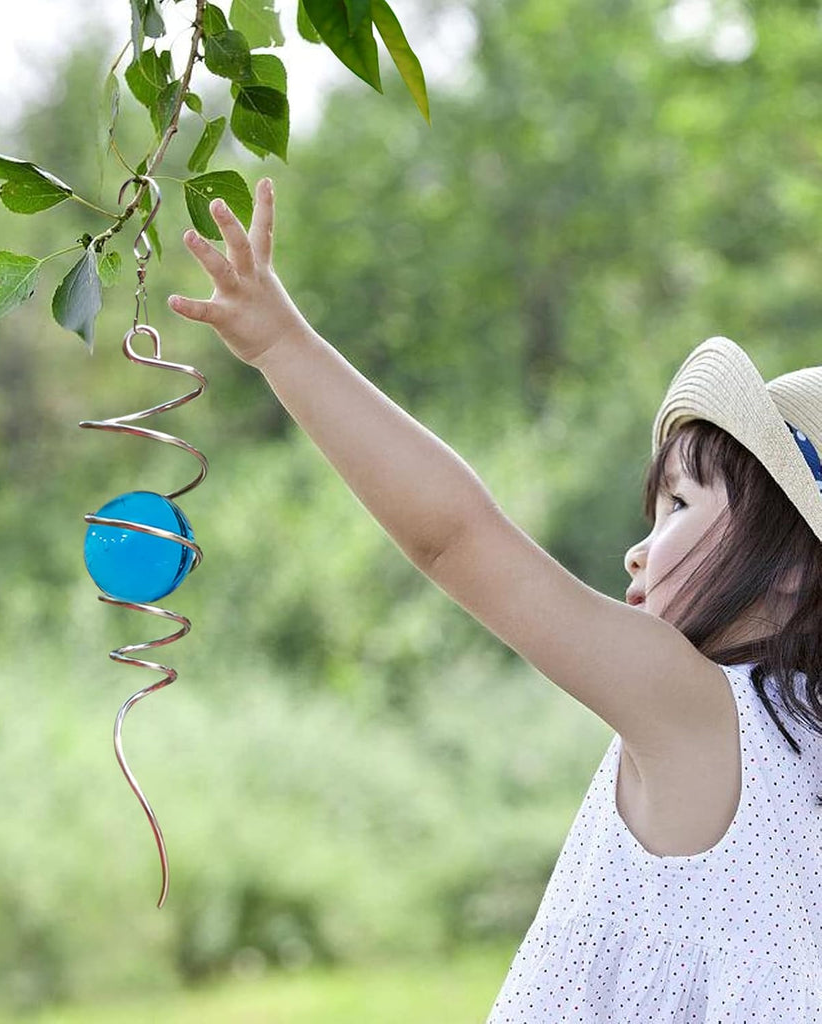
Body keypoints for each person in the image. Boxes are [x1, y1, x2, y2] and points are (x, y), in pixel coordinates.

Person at [168, 179, 822, 1021]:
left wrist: (283, 344)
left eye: (678, 505)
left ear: (790, 569)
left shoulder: (691, 704)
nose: (637, 548)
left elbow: (457, 539)